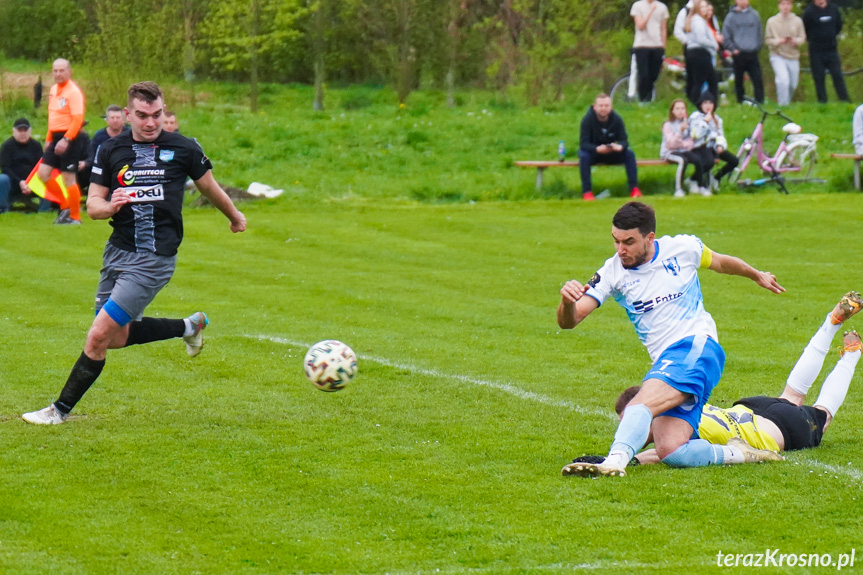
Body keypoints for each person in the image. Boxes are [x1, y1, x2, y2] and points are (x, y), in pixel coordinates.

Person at [22, 81, 247, 425]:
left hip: (154, 259)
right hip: (117, 253)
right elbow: (94, 203)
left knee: (97, 335)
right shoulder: (110, 150)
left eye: (157, 114)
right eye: (142, 115)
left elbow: (210, 188)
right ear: (128, 114)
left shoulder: (184, 148)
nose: (151, 122)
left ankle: (58, 411)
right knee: (115, 338)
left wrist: (234, 216)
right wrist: (110, 205)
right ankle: (190, 326)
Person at [557, 202, 784, 478]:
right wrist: (567, 302)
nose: (620, 250)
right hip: (668, 360)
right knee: (672, 449)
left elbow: (722, 262)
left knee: (640, 405)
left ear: (649, 238)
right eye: (615, 241)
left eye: (629, 242)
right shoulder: (612, 272)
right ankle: (740, 452)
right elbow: (570, 321)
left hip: (697, 346)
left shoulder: (683, 248)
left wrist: (756, 274)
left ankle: (615, 461)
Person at [603, 293, 863, 466]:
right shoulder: (675, 405)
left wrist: (630, 459)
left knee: (822, 414)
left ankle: (852, 355)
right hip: (751, 409)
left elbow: (664, 455)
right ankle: (831, 323)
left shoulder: (670, 432)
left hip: (773, 430)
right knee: (792, 394)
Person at [31, 58, 86, 225]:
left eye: (61, 70)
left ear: (70, 72)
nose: (58, 74)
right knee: (43, 174)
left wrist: (66, 139)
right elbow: (53, 116)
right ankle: (65, 205)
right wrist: (49, 138)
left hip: (70, 137)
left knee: (68, 177)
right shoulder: (54, 89)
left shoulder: (73, 92)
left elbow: (77, 119)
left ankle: (75, 217)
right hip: (55, 136)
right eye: (55, 70)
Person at [577, 94, 642, 201]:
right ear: (595, 107)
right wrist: (596, 149)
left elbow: (624, 140)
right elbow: (583, 144)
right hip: (594, 153)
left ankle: (634, 189)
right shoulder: (587, 120)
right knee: (583, 156)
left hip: (611, 152)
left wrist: (620, 147)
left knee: (629, 154)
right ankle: (587, 192)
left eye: (606, 106)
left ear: (611, 107)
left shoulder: (617, 119)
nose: (603, 108)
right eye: (601, 105)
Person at [689, 91, 738, 191]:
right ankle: (693, 180)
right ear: (700, 104)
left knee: (734, 161)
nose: (708, 106)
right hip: (699, 146)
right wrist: (705, 122)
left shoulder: (717, 119)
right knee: (709, 162)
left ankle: (716, 178)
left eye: (710, 103)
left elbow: (720, 135)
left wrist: (720, 145)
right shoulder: (695, 117)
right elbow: (696, 135)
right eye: (705, 103)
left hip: (713, 147)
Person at [802, 0, 849, 103]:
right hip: (816, 51)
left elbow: (839, 25)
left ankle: (845, 100)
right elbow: (805, 29)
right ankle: (822, 102)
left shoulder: (834, 8)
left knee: (837, 75)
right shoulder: (809, 12)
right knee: (819, 77)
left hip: (831, 49)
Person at [660, 99, 707, 197]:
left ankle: (700, 186)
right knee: (683, 161)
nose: (680, 111)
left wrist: (681, 143)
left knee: (697, 159)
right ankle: (678, 189)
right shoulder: (667, 125)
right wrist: (680, 131)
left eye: (682, 108)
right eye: (677, 108)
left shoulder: (688, 124)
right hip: (669, 152)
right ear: (672, 111)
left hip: (683, 150)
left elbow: (690, 142)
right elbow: (671, 144)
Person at [765, 0, 806, 107]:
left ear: (791, 6)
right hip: (777, 55)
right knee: (783, 80)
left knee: (792, 84)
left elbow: (802, 38)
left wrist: (795, 41)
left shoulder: (797, 21)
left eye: (788, 4)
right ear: (779, 6)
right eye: (783, 4)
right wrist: (778, 41)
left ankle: (786, 101)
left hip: (793, 56)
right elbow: (768, 40)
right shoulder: (772, 21)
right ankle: (783, 105)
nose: (785, 7)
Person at [722, 0, 764, 104]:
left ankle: (760, 102)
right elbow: (726, 36)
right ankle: (740, 101)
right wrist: (733, 49)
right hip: (739, 53)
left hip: (753, 52)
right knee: (739, 80)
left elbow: (759, 33)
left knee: (757, 79)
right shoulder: (730, 17)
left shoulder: (754, 15)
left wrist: (758, 46)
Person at [0, 118, 43, 214]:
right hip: (13, 182)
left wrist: (30, 183)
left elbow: (40, 166)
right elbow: (5, 168)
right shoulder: (7, 146)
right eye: (20, 130)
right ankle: (2, 208)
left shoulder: (36, 145)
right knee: (2, 179)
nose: (23, 133)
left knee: (47, 176)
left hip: (33, 182)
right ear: (13, 131)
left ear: (30, 131)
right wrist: (20, 182)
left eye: (25, 130)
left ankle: (45, 209)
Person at [630, 0, 669, 103]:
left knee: (654, 75)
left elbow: (663, 28)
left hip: (657, 46)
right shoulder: (637, 5)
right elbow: (640, 25)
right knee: (643, 75)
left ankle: (649, 99)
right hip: (641, 45)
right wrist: (651, 10)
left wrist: (663, 46)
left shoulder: (662, 7)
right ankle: (642, 100)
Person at [684, 0, 719, 105]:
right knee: (706, 79)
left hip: (693, 53)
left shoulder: (698, 20)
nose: (705, 9)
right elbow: (701, 39)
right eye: (702, 7)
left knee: (698, 80)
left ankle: (697, 101)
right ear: (697, 8)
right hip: (700, 53)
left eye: (706, 6)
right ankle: (700, 102)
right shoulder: (698, 21)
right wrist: (713, 45)